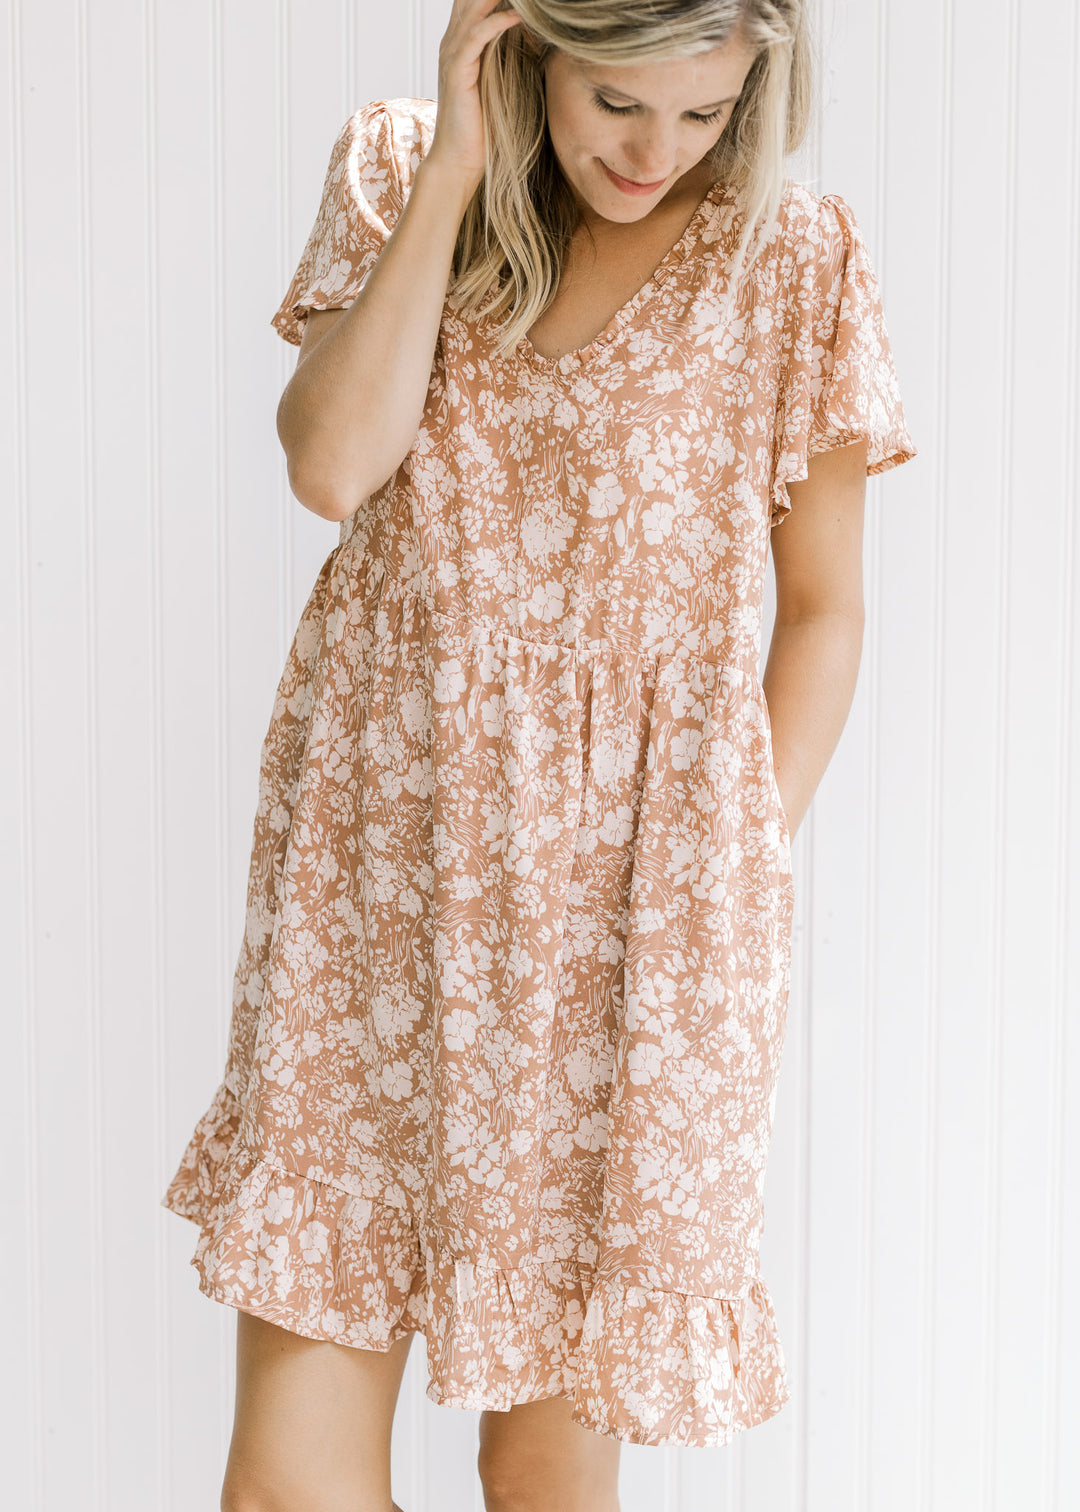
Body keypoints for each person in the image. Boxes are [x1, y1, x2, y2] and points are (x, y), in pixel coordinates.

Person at [161, 2, 918, 1509]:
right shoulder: (400, 172)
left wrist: (735, 866)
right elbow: (327, 464)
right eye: (617, 102)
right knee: (283, 1484)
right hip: (375, 872)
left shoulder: (790, 260)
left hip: (627, 914)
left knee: (546, 1477)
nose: (657, 152)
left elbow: (825, 613)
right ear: (530, 52)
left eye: (704, 114)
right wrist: (456, 167)